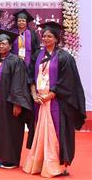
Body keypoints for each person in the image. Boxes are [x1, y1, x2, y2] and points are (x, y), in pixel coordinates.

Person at [23, 22, 86, 177]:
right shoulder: (38, 54)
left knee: (55, 134)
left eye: (49, 36)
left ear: (57, 38)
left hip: (56, 103)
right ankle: (38, 163)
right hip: (39, 101)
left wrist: (50, 95)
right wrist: (33, 93)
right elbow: (30, 74)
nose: (45, 38)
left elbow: (67, 81)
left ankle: (55, 166)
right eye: (44, 35)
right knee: (40, 133)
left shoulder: (65, 57)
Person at [0, 29, 32, 169]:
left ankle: (9, 159)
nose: (0, 46)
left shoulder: (16, 61)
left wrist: (17, 103)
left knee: (8, 130)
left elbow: (19, 83)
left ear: (10, 46)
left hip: (8, 102)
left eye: (4, 43)